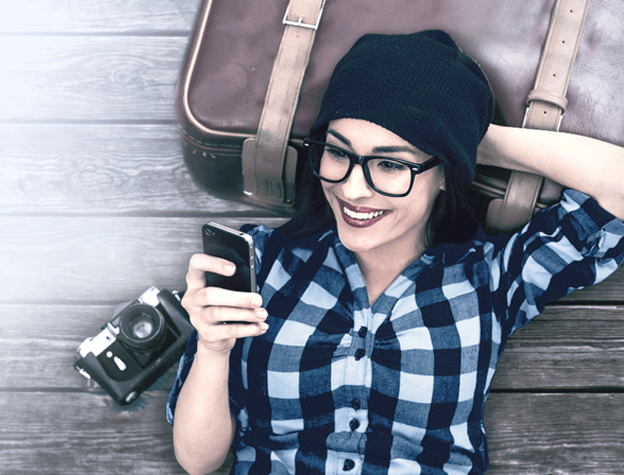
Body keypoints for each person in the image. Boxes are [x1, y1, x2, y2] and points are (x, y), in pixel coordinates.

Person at [166, 30, 624, 475]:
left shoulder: (492, 280)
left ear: (444, 173)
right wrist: (212, 347)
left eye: (391, 164)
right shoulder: (262, 266)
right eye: (337, 152)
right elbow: (197, 460)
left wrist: (470, 139)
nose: (352, 188)